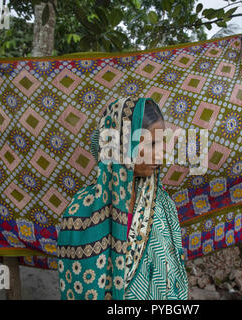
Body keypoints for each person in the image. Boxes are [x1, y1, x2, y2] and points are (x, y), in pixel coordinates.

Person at [57, 97, 188, 300]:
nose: (161, 154)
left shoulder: (162, 206)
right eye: (152, 143)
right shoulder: (81, 214)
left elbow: (174, 279)